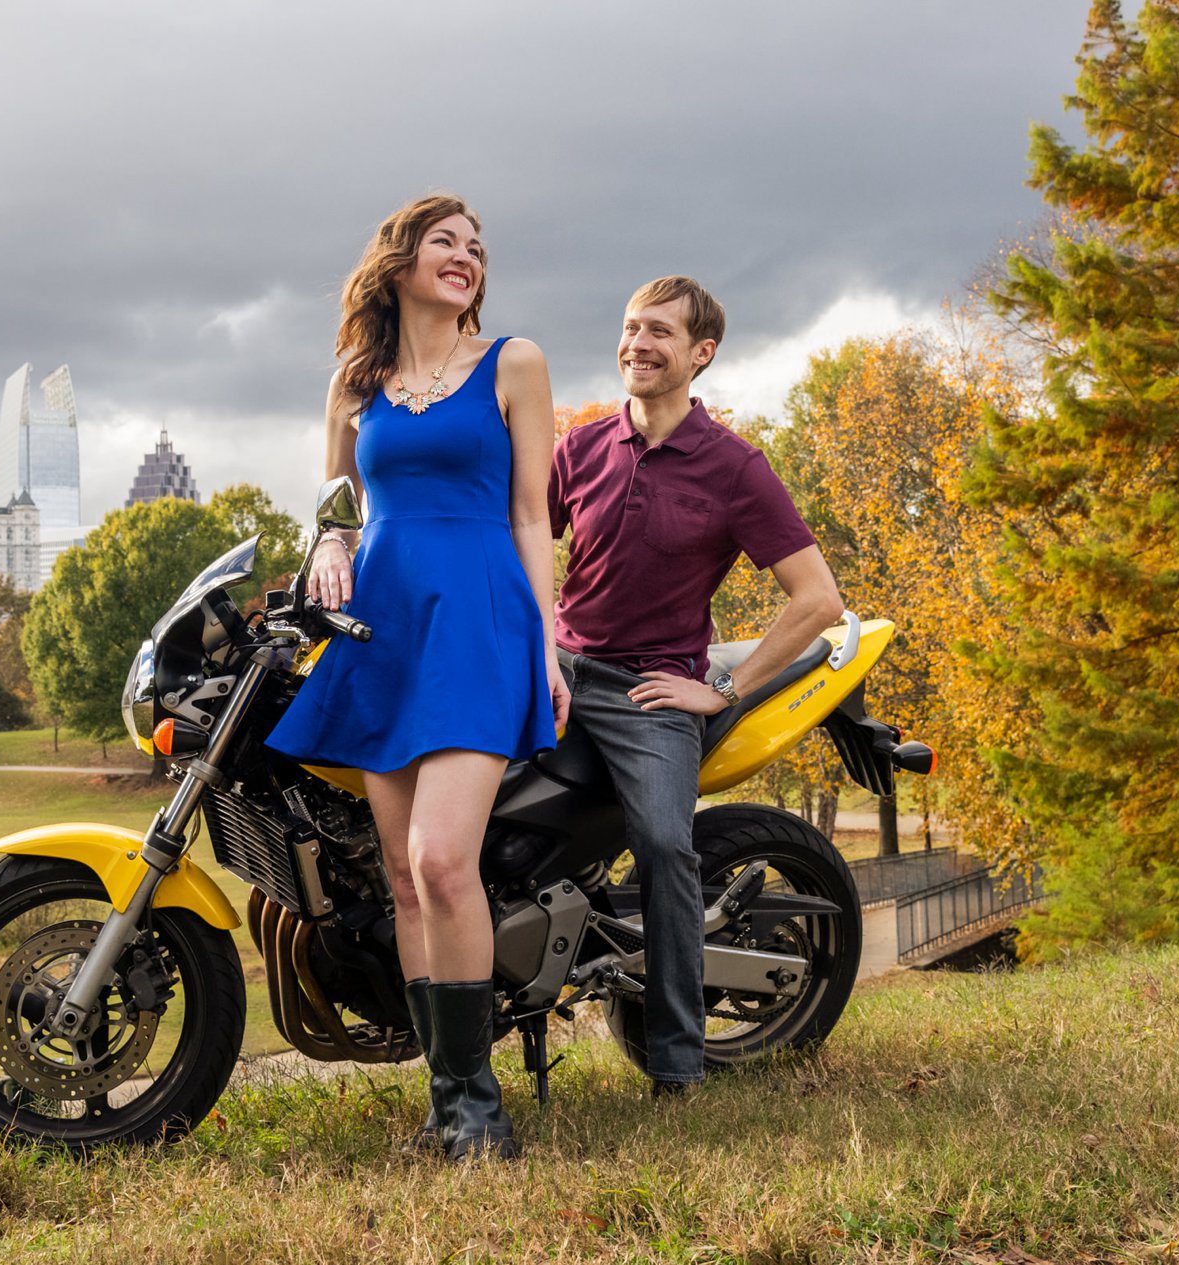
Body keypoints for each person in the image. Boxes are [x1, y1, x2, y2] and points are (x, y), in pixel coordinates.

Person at [264, 194, 568, 1160]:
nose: (467, 257)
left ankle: (481, 1105)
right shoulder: (357, 380)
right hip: (382, 623)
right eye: (446, 242)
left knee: (444, 859)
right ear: (399, 263)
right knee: (401, 876)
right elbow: (335, 502)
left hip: (478, 617)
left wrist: (547, 640)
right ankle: (444, 1104)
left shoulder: (514, 362)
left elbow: (532, 516)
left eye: (477, 248)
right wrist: (329, 543)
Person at [548, 275, 842, 1096]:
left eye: (660, 333)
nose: (637, 344)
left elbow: (818, 598)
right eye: (630, 326)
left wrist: (725, 687)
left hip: (654, 693)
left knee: (667, 848)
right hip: (561, 673)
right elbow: (523, 546)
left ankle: (676, 1062)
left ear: (699, 353)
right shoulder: (579, 446)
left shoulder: (734, 466)